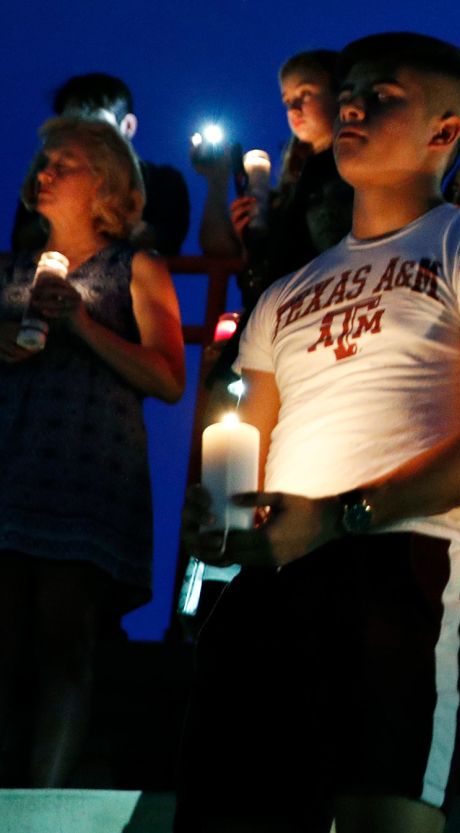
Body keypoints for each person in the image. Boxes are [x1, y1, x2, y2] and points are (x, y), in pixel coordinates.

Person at [174, 32, 460, 833]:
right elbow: (251, 443)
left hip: (401, 558)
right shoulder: (286, 293)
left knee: (385, 809)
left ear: (445, 132)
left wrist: (345, 514)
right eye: (349, 90)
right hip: (274, 574)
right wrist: (221, 514)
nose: (350, 105)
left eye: (383, 95)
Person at [0, 116, 185, 787]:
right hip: (13, 464)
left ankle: (43, 802)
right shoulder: (9, 269)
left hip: (87, 471)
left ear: (105, 183)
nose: (44, 171)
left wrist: (78, 321)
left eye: (65, 162)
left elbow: (168, 376)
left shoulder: (135, 267)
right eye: (42, 161)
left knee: (65, 627)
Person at [196, 49, 353, 312]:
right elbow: (219, 249)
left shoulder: (353, 175)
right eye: (287, 99)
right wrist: (219, 182)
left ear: (340, 94)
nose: (294, 108)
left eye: (305, 94)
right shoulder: (288, 190)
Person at [11, 73, 191, 256]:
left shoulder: (163, 182)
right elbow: (22, 241)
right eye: (68, 125)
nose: (80, 135)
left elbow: (167, 244)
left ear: (128, 126)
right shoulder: (45, 176)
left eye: (96, 128)